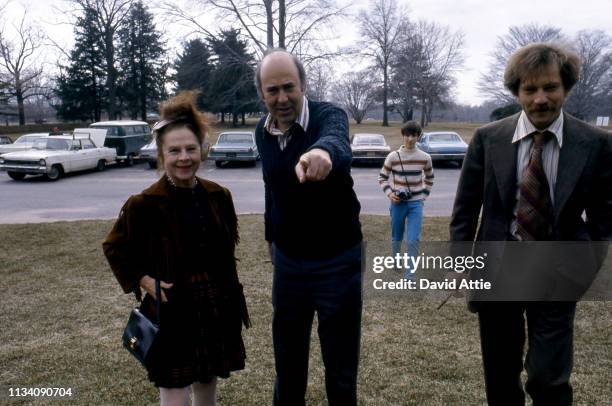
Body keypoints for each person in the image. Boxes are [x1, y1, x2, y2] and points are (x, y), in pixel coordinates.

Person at [450, 43, 611, 405]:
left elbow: (604, 219)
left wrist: (584, 269)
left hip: (558, 274)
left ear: (566, 87)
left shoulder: (595, 143)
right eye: (530, 89)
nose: (540, 99)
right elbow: (464, 211)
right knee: (501, 375)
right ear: (517, 91)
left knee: (549, 378)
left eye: (550, 87)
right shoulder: (488, 139)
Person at [103, 92, 250, 406]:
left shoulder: (219, 195)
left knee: (208, 379)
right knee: (174, 389)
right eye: (174, 151)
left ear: (202, 150)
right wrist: (143, 280)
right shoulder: (142, 204)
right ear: (161, 155)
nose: (184, 157)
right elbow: (114, 247)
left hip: (214, 305)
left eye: (190, 149)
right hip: (172, 310)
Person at [254, 49, 363, 405]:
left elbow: (335, 140)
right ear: (262, 93)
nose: (282, 98)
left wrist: (322, 154)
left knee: (340, 364)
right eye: (273, 90)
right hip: (289, 263)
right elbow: (271, 186)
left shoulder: (327, 115)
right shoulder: (263, 132)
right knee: (288, 361)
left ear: (303, 85)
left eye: (289, 87)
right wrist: (272, 234)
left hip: (337, 260)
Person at [378, 121, 434, 279]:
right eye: (407, 135)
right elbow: (382, 178)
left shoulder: (425, 157)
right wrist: (390, 193)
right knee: (397, 236)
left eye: (414, 135)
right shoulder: (393, 157)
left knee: (413, 239)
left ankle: (410, 276)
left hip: (416, 204)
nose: (410, 139)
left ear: (418, 136)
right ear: (403, 135)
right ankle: (396, 261)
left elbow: (429, 178)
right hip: (397, 203)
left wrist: (423, 195)